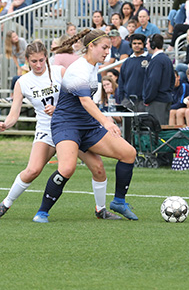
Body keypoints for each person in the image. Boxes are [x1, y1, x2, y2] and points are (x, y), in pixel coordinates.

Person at [0, 41, 118, 220]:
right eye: (34, 61)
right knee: (32, 170)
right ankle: (5, 204)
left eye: (42, 60)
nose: (39, 65)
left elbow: (77, 100)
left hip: (70, 127)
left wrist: (58, 108)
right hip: (46, 130)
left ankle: (101, 209)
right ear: (27, 61)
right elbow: (13, 114)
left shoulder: (60, 72)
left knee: (98, 167)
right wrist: (5, 124)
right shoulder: (22, 82)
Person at [32, 29, 138, 223]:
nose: (108, 52)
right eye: (104, 47)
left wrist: (101, 120)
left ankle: (117, 203)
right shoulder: (79, 68)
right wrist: (105, 121)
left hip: (86, 124)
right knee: (67, 168)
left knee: (127, 154)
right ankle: (42, 212)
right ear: (91, 46)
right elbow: (85, 102)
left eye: (110, 48)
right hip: (66, 124)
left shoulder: (92, 67)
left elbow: (87, 104)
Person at [142, 33, 175, 125]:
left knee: (157, 130)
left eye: (148, 43)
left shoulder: (157, 60)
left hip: (157, 101)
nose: (146, 46)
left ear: (153, 45)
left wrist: (148, 98)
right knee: (163, 128)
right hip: (165, 98)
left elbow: (154, 81)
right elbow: (172, 80)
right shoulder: (166, 59)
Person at [117, 33, 148, 111]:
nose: (136, 45)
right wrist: (122, 99)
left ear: (144, 45)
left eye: (139, 43)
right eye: (134, 43)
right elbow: (121, 81)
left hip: (144, 101)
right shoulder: (127, 62)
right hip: (127, 101)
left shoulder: (149, 59)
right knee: (127, 123)